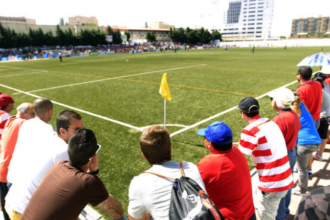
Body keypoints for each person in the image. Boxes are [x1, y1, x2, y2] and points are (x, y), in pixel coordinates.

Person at [5, 100, 85, 219]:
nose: (81, 135)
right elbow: (79, 188)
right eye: (77, 131)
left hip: (14, 190)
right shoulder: (60, 148)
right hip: (26, 210)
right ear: (49, 111)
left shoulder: (28, 125)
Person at [21, 128, 124, 220]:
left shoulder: (59, 166)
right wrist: (94, 173)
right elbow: (117, 213)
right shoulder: (87, 182)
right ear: (93, 158)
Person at [128, 125, 206, 220]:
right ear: (170, 148)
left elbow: (135, 218)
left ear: (143, 155)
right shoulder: (191, 167)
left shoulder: (139, 183)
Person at [236, 97, 293, 220]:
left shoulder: (250, 131)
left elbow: (239, 155)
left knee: (266, 216)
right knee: (273, 213)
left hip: (271, 182)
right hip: (285, 176)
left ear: (243, 113)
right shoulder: (270, 122)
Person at [197, 121, 255, 220]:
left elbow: (192, 185)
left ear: (209, 144)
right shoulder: (236, 151)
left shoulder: (208, 164)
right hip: (249, 213)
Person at [268, 88, 301, 220]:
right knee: (287, 185)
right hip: (291, 152)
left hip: (283, 156)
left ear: (276, 103)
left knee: (280, 189)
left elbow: (273, 142)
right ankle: (285, 212)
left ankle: (280, 216)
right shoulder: (293, 114)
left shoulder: (279, 119)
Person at [0, 103, 34, 220]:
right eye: (32, 114)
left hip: (4, 170)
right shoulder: (23, 123)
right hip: (11, 175)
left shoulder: (11, 120)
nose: (35, 117)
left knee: (7, 207)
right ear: (21, 114)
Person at [291, 93, 321, 195]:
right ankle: (301, 187)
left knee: (301, 168)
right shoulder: (303, 105)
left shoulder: (292, 111)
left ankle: (301, 189)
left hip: (303, 144)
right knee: (303, 168)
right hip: (316, 141)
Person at [310, 73, 330, 163]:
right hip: (327, 115)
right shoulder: (326, 86)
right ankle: (319, 155)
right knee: (323, 135)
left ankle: (309, 159)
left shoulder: (320, 91)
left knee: (311, 137)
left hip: (321, 116)